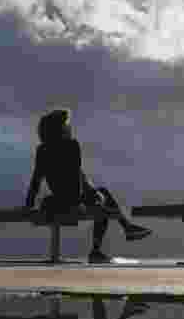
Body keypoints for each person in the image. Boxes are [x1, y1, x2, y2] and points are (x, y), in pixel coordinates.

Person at [24, 108, 153, 264]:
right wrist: (81, 202)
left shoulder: (42, 150)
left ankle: (126, 228)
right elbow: (76, 177)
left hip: (58, 200)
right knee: (103, 205)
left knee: (102, 196)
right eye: (66, 125)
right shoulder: (71, 145)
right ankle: (105, 244)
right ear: (60, 128)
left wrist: (28, 204)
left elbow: (36, 179)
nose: (69, 128)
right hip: (72, 199)